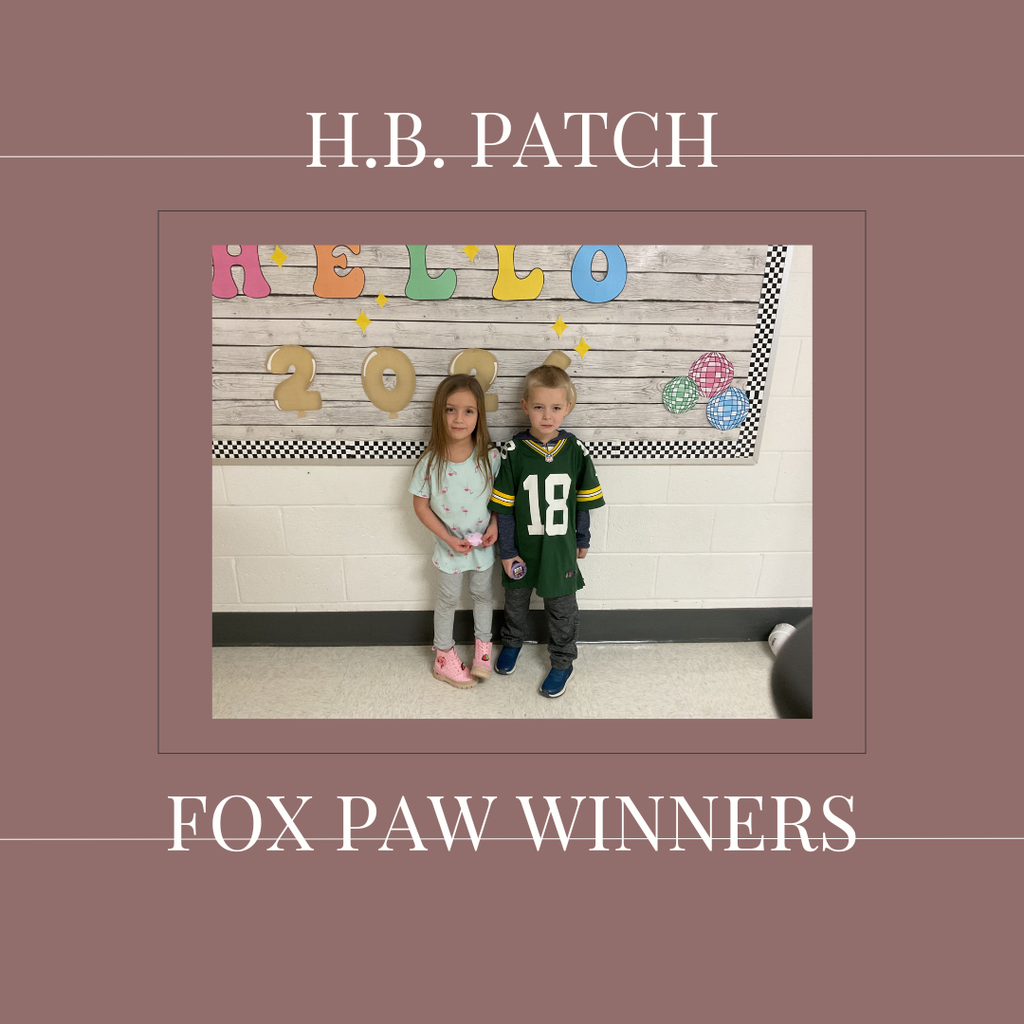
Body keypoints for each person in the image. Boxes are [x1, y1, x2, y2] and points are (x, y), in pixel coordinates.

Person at [487, 364, 605, 698]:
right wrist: (507, 551)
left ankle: (563, 661)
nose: (547, 415)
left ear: (568, 407)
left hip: (559, 549)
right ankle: (511, 643)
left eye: (555, 407)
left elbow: (583, 499)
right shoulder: (513, 453)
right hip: (523, 546)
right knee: (515, 600)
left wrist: (583, 537)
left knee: (562, 609)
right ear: (525, 406)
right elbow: (504, 508)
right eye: (539, 406)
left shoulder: (576, 451)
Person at [410, 374, 501, 687]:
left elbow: (503, 502)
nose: (459, 418)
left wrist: (495, 525)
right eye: (450, 410)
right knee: (447, 600)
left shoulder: (491, 458)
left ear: (479, 416)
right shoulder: (430, 463)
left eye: (468, 411)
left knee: (482, 596)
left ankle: (483, 650)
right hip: (449, 550)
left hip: (482, 549)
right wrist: (447, 538)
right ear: (439, 412)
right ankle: (443, 656)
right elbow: (421, 506)